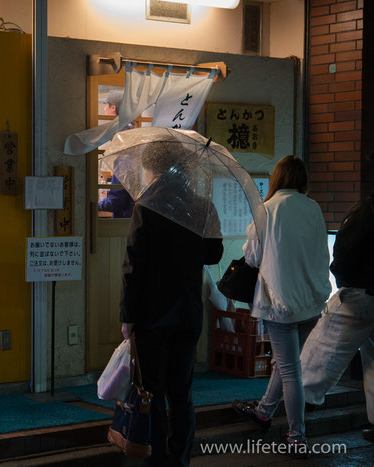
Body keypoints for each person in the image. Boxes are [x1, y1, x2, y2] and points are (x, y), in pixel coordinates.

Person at [120, 141, 224, 466]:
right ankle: (179, 459)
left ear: (153, 169)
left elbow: (133, 268)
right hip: (189, 314)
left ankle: (158, 458)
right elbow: (214, 254)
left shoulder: (147, 206)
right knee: (182, 392)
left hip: (153, 315)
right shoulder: (201, 206)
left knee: (153, 391)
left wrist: (127, 316)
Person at [231, 156, 331, 455]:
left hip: (280, 302)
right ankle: (263, 411)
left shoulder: (267, 209)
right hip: (312, 301)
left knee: (290, 371)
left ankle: (297, 437)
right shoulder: (313, 208)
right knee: (287, 365)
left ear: (276, 179)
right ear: (303, 180)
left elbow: (251, 257)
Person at [300, 193, 374, 443]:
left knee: (321, 351)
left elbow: (345, 254)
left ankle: (303, 401)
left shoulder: (365, 212)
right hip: (367, 292)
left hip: (358, 294)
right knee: (372, 361)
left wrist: (341, 279)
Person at [99, 90, 135, 218]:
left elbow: (116, 202)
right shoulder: (132, 131)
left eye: (106, 105)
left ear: (113, 107)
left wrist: (95, 204)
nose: (104, 109)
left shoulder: (124, 161)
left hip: (125, 221)